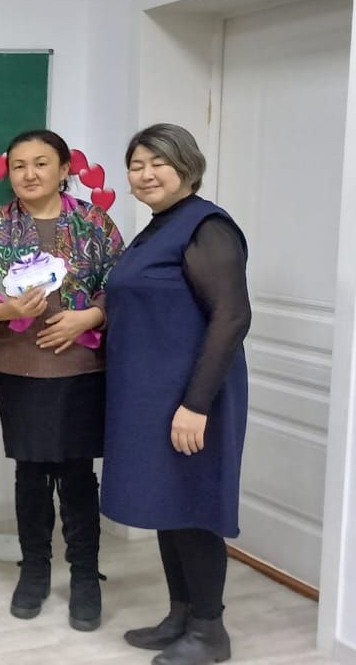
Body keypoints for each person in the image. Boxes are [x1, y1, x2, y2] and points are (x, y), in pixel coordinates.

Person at [0, 129, 123, 631]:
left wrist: (90, 317)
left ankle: (85, 577)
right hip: (19, 368)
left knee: (76, 473)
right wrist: (6, 311)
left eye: (41, 163)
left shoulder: (95, 223)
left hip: (81, 367)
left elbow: (122, 288)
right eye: (19, 166)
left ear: (63, 169)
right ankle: (34, 571)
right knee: (30, 472)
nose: (29, 174)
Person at [102, 123, 251, 665]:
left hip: (193, 396)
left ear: (187, 166)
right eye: (136, 165)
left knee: (194, 506)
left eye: (157, 163)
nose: (145, 174)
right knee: (170, 503)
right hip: (153, 396)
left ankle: (210, 631)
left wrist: (196, 405)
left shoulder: (207, 227)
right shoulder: (156, 229)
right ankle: (181, 616)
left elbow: (232, 316)